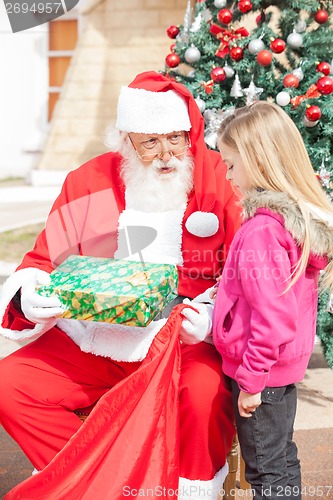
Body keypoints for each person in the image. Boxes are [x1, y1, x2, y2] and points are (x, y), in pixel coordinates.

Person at [0, 71, 242, 499]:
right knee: (11, 385)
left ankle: (183, 492)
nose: (167, 154)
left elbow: (246, 274)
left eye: (176, 139)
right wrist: (30, 293)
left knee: (203, 396)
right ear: (126, 141)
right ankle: (103, 485)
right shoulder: (90, 181)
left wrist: (206, 316)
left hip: (183, 338)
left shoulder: (219, 178)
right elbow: (43, 259)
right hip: (95, 337)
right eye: (151, 142)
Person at [212, 101, 333, 499]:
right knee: (282, 459)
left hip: (259, 375)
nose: (227, 175)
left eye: (231, 165)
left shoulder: (263, 230)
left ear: (259, 160)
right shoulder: (288, 223)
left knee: (265, 470)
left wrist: (250, 381)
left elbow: (273, 317)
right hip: (278, 374)